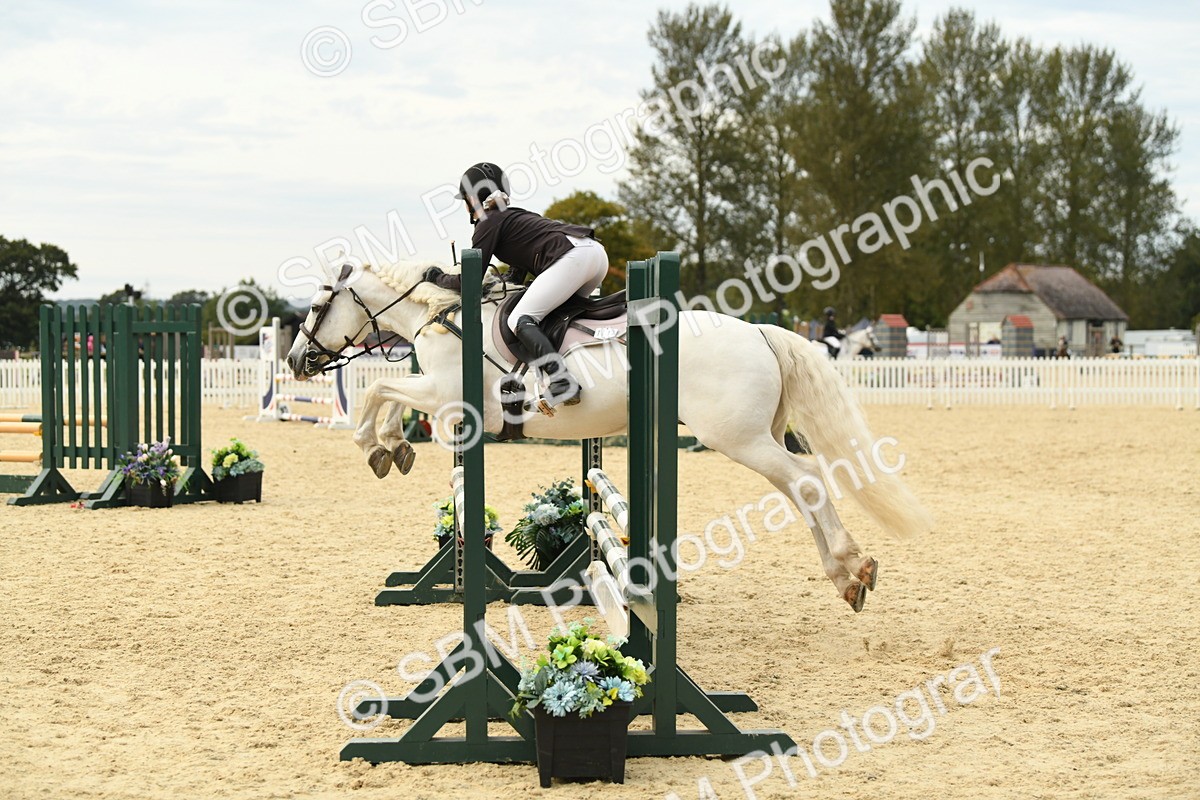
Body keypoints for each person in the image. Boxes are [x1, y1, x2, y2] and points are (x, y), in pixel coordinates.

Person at [423, 162, 609, 408]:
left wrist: (437, 278)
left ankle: (562, 380)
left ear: (473, 198)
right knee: (553, 318)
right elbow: (515, 277)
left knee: (519, 318)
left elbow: (468, 280)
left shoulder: (487, 222)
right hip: (595, 255)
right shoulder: (517, 216)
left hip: (573, 258)